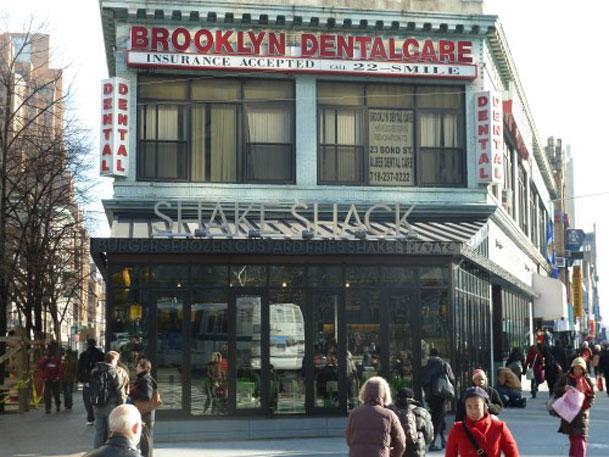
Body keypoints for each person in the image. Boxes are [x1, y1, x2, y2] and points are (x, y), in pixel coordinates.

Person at [445, 386, 519, 457]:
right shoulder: (457, 429)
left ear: (485, 407)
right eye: (469, 406)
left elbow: (513, 454)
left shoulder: (499, 427)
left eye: (477, 406)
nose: (473, 411)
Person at [345, 376, 405, 457]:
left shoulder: (354, 414)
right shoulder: (389, 415)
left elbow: (349, 439)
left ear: (364, 393)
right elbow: (401, 443)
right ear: (384, 394)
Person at [553, 357, 595, 457]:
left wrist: (585, 405)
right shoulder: (566, 377)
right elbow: (555, 389)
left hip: (582, 415)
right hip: (569, 413)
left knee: (580, 439)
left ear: (583, 369)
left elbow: (592, 395)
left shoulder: (587, 380)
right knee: (573, 439)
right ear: (572, 368)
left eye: (580, 368)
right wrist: (564, 388)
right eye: (576, 368)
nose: (577, 371)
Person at [421, 348, 454, 450]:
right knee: (438, 418)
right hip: (441, 395)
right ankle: (433, 443)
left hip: (430, 395)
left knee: (438, 417)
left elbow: (422, 380)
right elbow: (451, 377)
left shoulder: (425, 365)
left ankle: (443, 440)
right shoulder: (444, 364)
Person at [91, 351, 125, 448]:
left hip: (97, 405)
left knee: (99, 432)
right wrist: (121, 405)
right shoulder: (113, 372)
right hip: (111, 406)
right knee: (111, 433)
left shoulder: (95, 371)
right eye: (116, 360)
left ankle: (96, 453)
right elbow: (120, 391)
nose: (117, 363)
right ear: (113, 360)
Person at [389, 387, 434, 457]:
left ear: (397, 397)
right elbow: (429, 437)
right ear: (412, 397)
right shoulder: (423, 412)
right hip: (417, 452)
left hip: (398, 452)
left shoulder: (390, 412)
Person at [130, 358, 156, 457]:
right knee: (145, 438)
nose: (136, 368)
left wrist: (133, 393)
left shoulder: (145, 379)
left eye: (138, 366)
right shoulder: (143, 378)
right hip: (145, 413)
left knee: (145, 438)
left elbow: (147, 396)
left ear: (144, 368)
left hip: (146, 413)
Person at [78, 339, 105, 425]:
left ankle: (90, 417)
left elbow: (79, 368)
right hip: (98, 380)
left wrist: (81, 379)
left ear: (87, 344)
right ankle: (98, 415)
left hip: (87, 380)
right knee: (98, 396)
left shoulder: (83, 355)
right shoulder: (101, 354)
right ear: (95, 344)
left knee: (87, 399)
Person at [37, 345, 63, 414]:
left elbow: (60, 369)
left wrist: (58, 377)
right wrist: (45, 360)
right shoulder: (45, 359)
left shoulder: (57, 360)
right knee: (47, 395)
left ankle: (58, 405)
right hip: (47, 380)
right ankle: (47, 408)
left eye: (49, 351)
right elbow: (40, 365)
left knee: (56, 394)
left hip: (55, 380)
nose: (48, 352)